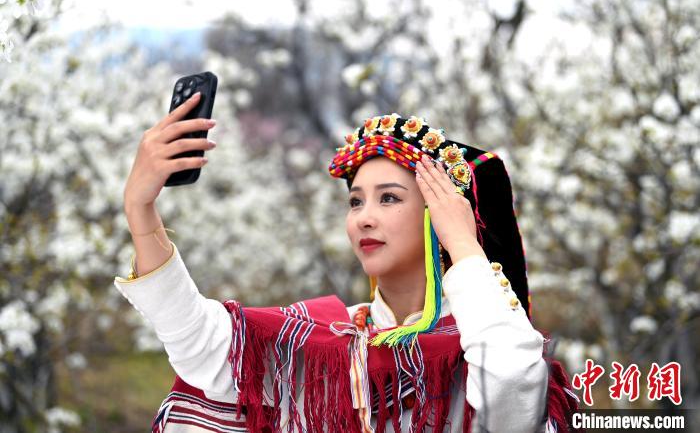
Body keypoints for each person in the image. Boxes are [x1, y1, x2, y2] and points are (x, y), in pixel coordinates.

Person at [115, 93, 579, 432]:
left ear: (440, 216)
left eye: (389, 198)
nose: (364, 218)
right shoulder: (324, 343)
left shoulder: (481, 345)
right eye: (356, 202)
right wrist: (140, 209)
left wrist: (463, 246)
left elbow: (512, 395)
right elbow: (201, 347)